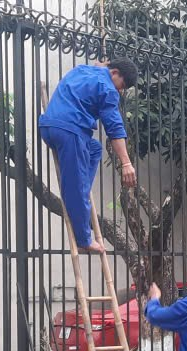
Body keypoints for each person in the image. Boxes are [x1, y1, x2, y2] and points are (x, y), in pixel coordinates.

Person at [39, 58, 139, 253]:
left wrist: (103, 66)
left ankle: (82, 185)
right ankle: (84, 239)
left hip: (49, 127)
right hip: (70, 132)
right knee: (76, 186)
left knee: (94, 149)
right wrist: (126, 163)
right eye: (122, 86)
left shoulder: (82, 70)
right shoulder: (108, 89)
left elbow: (98, 68)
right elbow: (114, 129)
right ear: (115, 73)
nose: (120, 91)